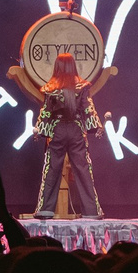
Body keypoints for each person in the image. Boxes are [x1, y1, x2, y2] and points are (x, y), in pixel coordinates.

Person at [30, 52, 105, 220]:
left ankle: (46, 210)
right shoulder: (82, 86)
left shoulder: (51, 87)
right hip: (77, 129)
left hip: (57, 129)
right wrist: (96, 125)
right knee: (83, 168)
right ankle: (91, 211)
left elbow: (46, 111)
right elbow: (88, 107)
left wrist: (39, 130)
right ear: (73, 66)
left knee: (52, 168)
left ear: (57, 67)